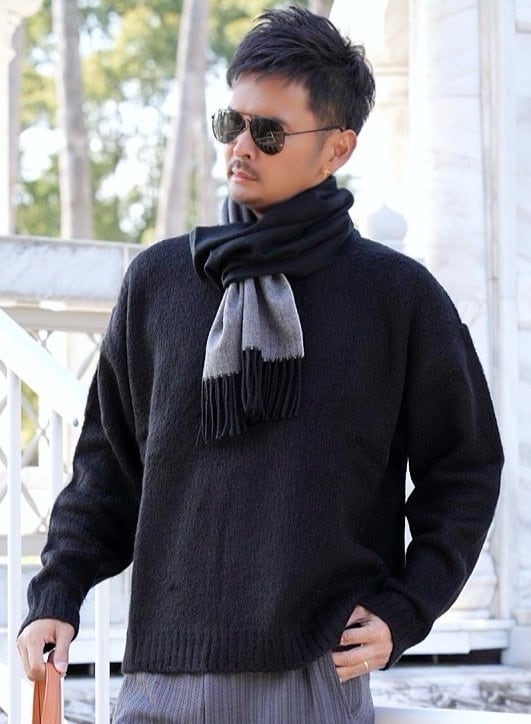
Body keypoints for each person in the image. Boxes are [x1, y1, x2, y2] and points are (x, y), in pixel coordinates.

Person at [17, 6, 503, 723]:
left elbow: (465, 469)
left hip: (310, 676)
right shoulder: (158, 284)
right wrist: (55, 594)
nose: (240, 147)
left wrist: (408, 608)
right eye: (231, 123)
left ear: (336, 148)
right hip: (159, 678)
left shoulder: (396, 298)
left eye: (268, 132)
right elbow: (107, 469)